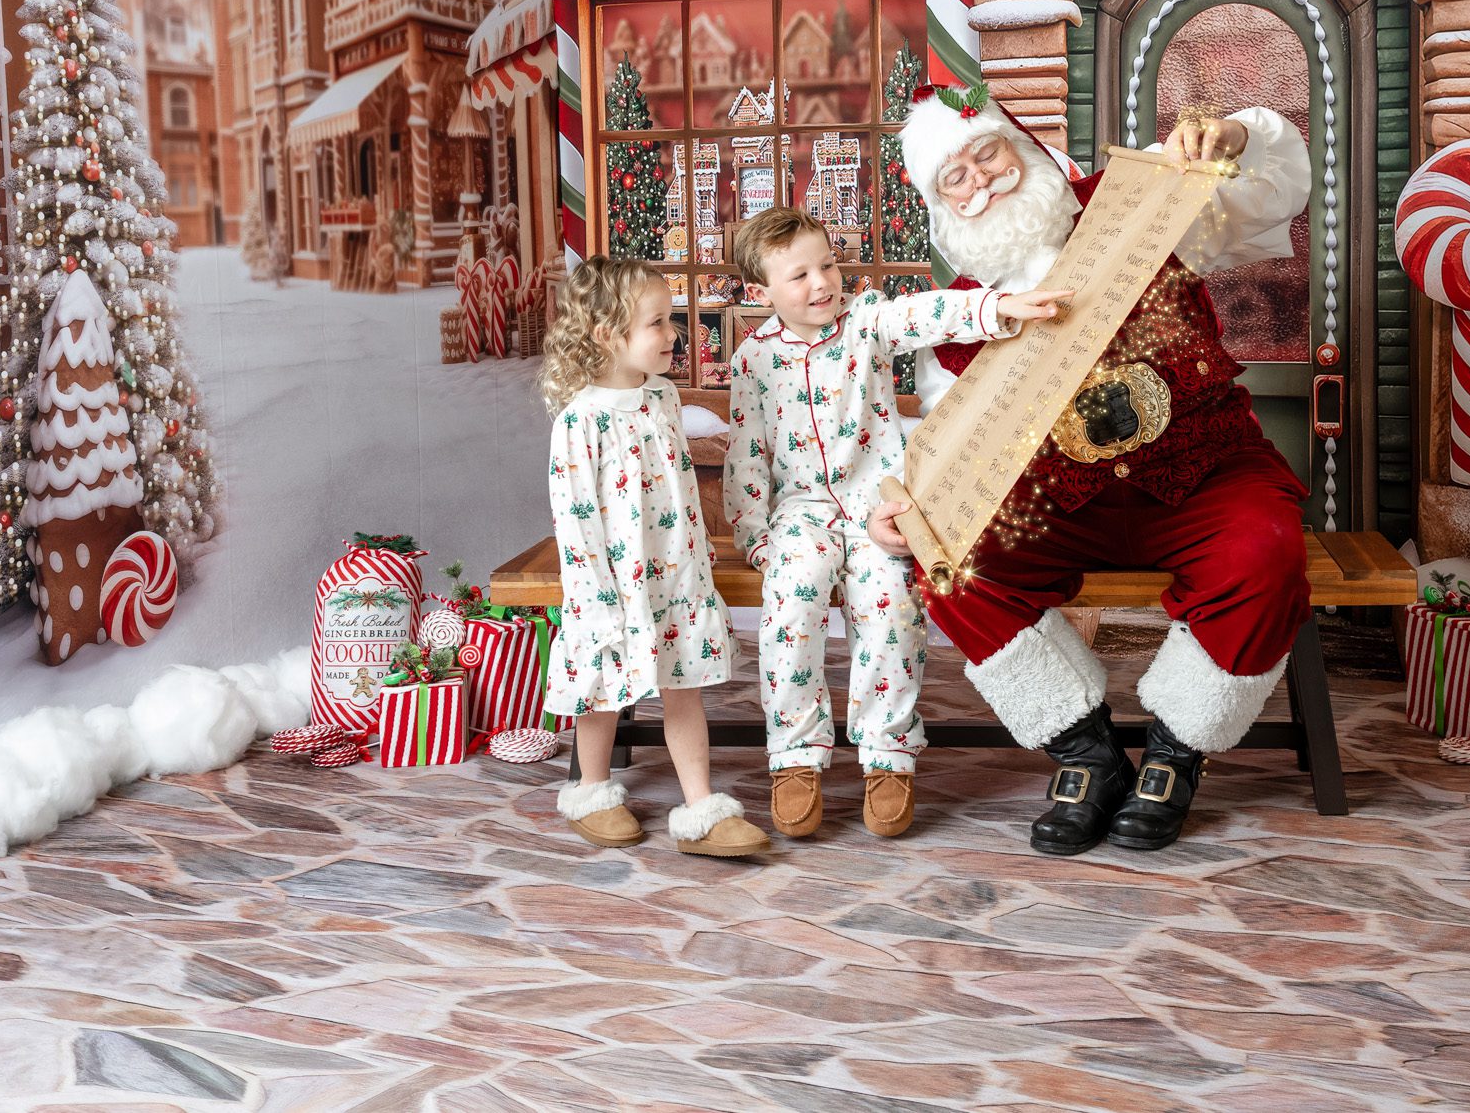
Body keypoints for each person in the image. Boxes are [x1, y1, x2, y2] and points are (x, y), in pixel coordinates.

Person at [870, 88, 1312, 856]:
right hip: (1063, 505)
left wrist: (1234, 134)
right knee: (948, 566)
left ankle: (1178, 750)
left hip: (1202, 467)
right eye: (956, 178)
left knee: (1267, 551)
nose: (982, 182)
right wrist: (906, 508)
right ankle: (1087, 752)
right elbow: (948, 447)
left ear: (1022, 147)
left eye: (988, 155)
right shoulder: (960, 319)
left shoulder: (1131, 206)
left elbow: (1273, 186)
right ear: (941, 206)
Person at [724, 207, 1068, 838]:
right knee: (791, 602)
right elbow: (747, 455)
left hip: (877, 505)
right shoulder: (753, 361)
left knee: (889, 606)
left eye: (826, 264)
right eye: (799, 276)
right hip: (801, 512)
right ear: (760, 293)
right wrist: (758, 539)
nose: (822, 283)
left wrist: (1000, 309)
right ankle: (796, 757)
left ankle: (888, 755)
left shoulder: (866, 324)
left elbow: (926, 312)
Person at [540, 256, 769, 858]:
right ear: (606, 335)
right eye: (658, 323)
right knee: (603, 689)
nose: (674, 334)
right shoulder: (580, 421)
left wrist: (696, 559)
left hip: (675, 576)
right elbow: (575, 517)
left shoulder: (662, 398)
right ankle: (592, 791)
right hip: (611, 584)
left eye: (671, 320)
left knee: (683, 685)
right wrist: (593, 596)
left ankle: (700, 807)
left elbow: (679, 486)